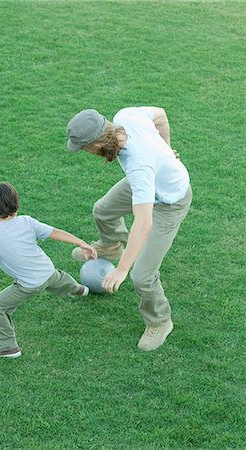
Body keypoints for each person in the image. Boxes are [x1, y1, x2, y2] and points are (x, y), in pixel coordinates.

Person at [66, 106, 192, 351]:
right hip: (148, 183)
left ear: (97, 143)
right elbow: (162, 115)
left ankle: (160, 321)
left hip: (170, 201)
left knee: (142, 276)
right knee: (103, 210)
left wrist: (122, 270)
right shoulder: (125, 117)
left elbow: (144, 222)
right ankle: (112, 247)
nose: (85, 152)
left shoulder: (138, 165)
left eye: (84, 147)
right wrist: (166, 149)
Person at [0, 182, 97, 359]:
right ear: (16, 204)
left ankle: (8, 348)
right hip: (48, 271)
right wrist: (80, 242)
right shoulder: (27, 221)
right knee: (58, 279)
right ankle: (79, 290)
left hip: (29, 284)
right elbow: (55, 232)